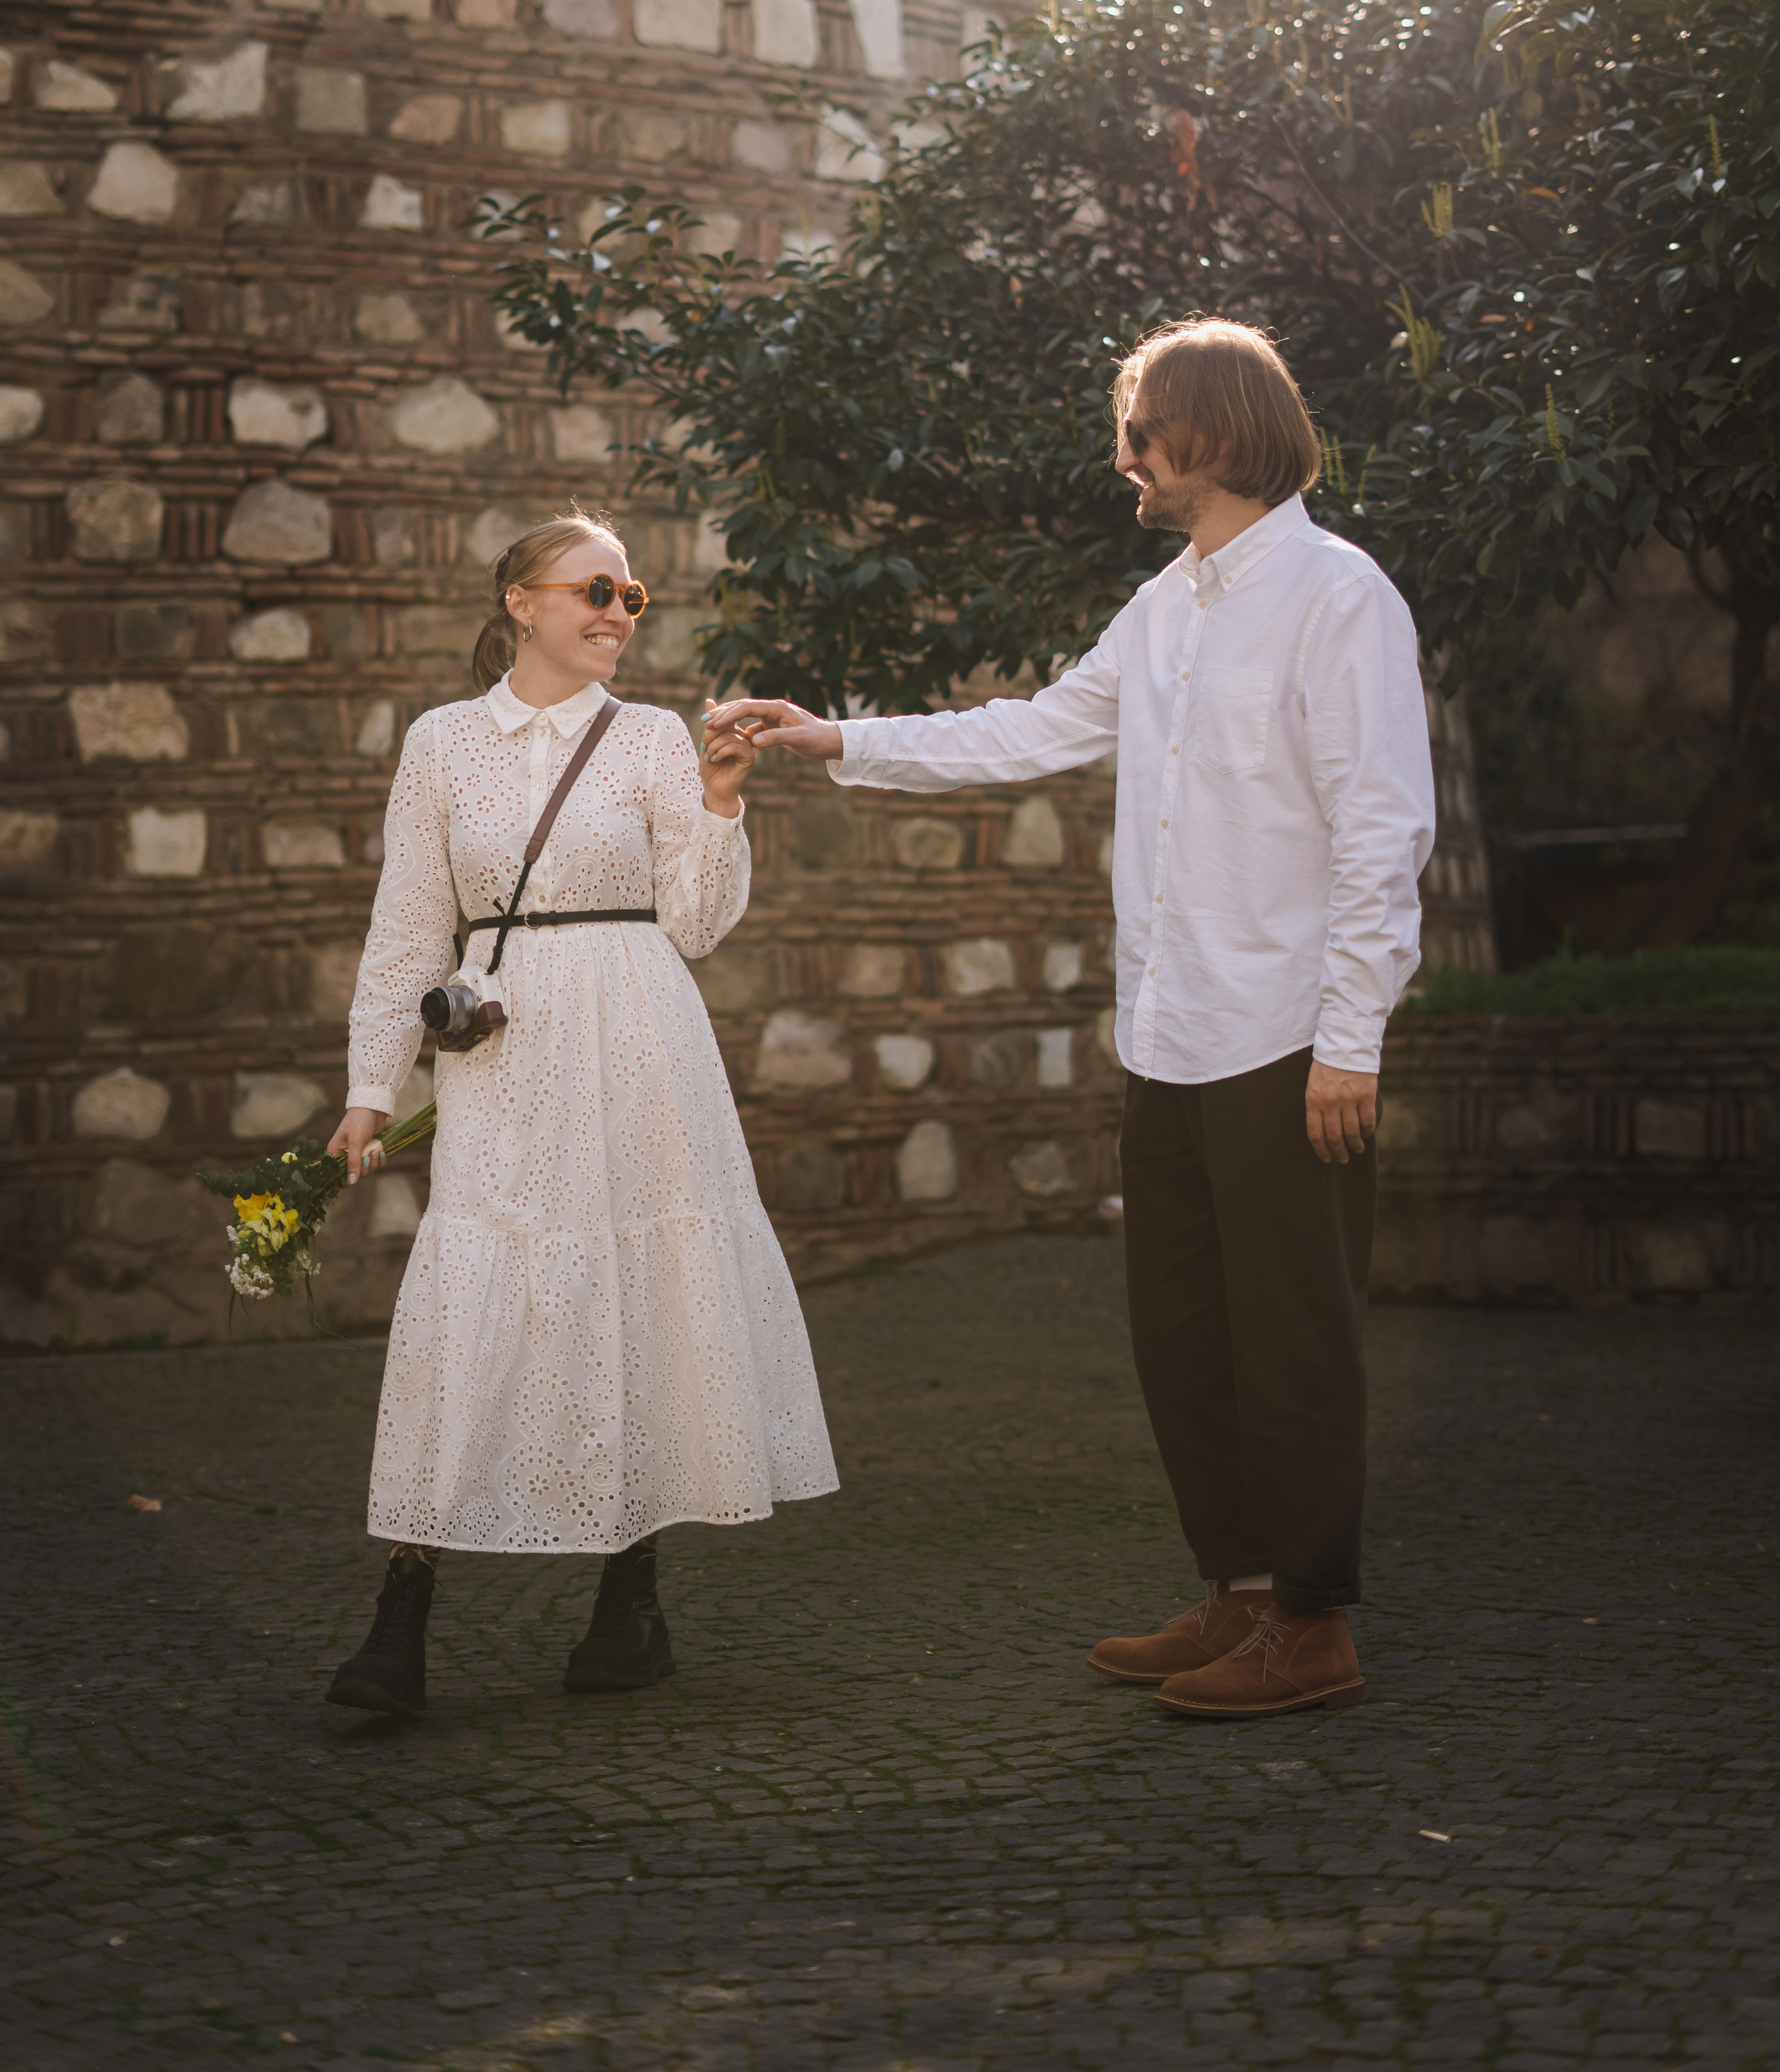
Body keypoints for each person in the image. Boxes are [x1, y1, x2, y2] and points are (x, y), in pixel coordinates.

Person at [706, 319, 1435, 1719]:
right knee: (1181, 1332)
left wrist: (1352, 1033)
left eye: (1139, 433)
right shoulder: (1164, 607)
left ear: (1211, 436)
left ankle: (1314, 1621)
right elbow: (1026, 730)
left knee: (1291, 1337)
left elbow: (1380, 828)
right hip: (1165, 1037)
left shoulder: (1337, 598)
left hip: (1286, 1034)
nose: (1125, 461)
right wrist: (834, 738)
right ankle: (1236, 1591)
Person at [323, 508, 837, 1716]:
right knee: (474, 1294)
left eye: (630, 597)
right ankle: (403, 1614)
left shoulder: (656, 736)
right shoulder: (444, 743)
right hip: (502, 1045)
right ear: (523, 602)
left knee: (641, 1293)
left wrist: (717, 801)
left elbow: (696, 926)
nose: (616, 614)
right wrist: (369, 1087)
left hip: (644, 1038)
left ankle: (630, 1600)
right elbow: (408, 926)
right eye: (593, 592)